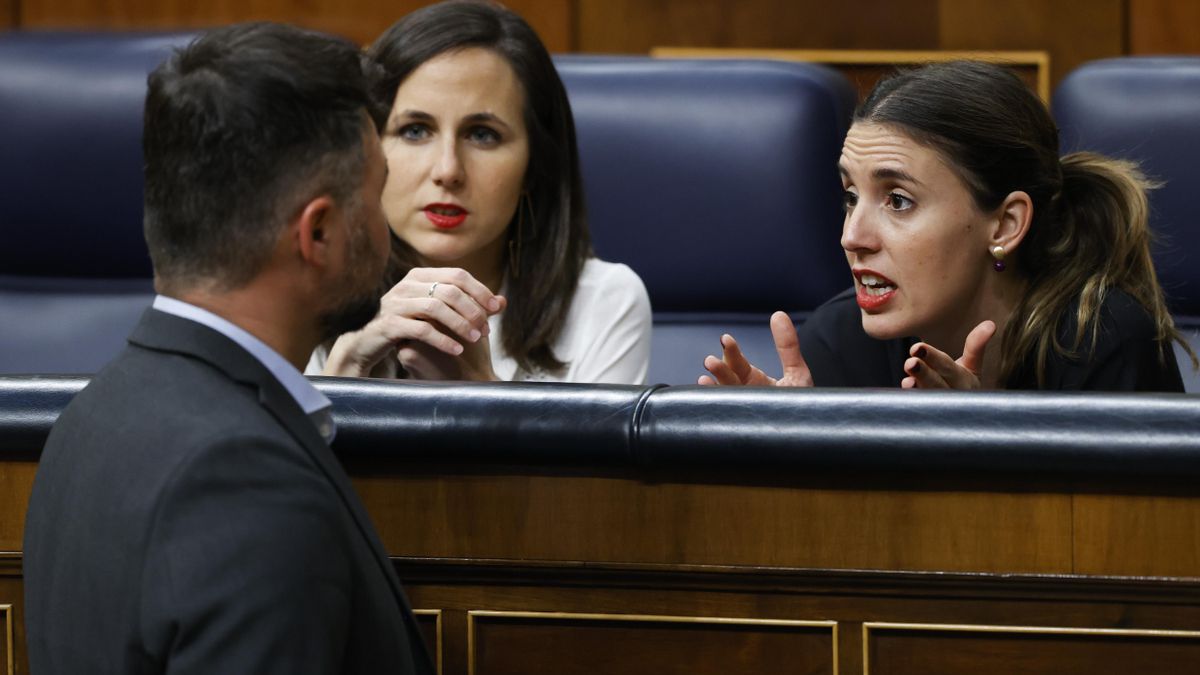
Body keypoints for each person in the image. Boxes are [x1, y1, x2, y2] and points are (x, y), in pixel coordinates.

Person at [23, 23, 434, 674]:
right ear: (319, 232)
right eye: (378, 193)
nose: (387, 228)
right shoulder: (249, 481)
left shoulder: (88, 418)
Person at [702, 60, 1193, 391]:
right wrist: (783, 464)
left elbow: (1126, 541)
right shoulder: (839, 341)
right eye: (851, 197)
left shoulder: (1103, 341)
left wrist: (977, 447)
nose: (852, 237)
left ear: (1004, 225)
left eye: (897, 200)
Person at [307, 0, 652, 384]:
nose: (448, 171)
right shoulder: (316, 285)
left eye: (482, 135)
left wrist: (479, 385)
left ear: (535, 168)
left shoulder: (602, 302)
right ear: (368, 153)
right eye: (415, 130)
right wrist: (345, 368)